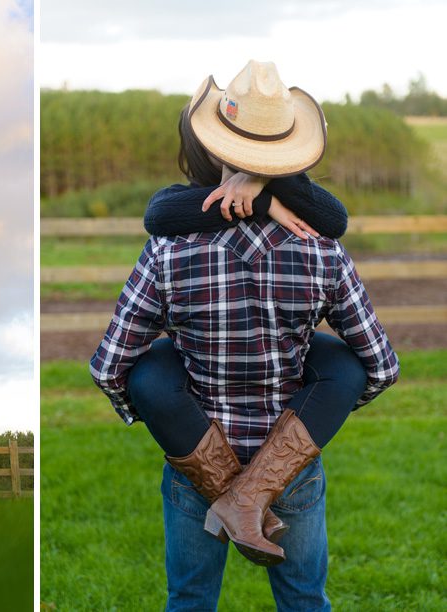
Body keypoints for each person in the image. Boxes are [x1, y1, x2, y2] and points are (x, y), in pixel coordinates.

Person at [90, 60, 400, 610]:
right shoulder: (321, 247)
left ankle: (234, 498)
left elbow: (109, 365)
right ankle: (252, 496)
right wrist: (307, 418)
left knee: (189, 601)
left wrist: (166, 416)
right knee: (306, 601)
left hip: (195, 467)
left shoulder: (169, 247)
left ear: (212, 145)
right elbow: (378, 365)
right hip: (292, 473)